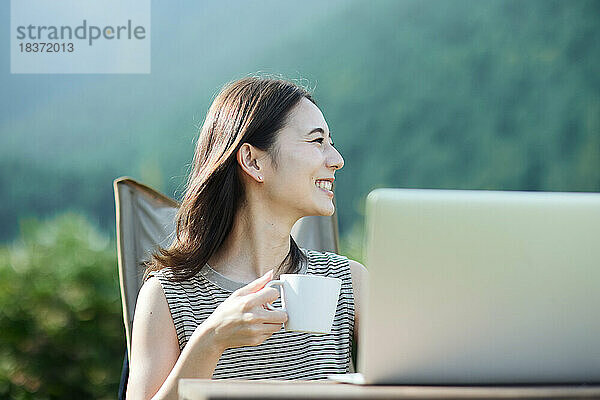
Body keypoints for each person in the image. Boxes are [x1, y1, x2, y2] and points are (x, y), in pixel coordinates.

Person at [126, 76, 368, 400]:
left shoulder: (349, 281)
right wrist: (211, 339)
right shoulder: (168, 295)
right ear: (253, 161)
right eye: (316, 141)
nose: (336, 159)